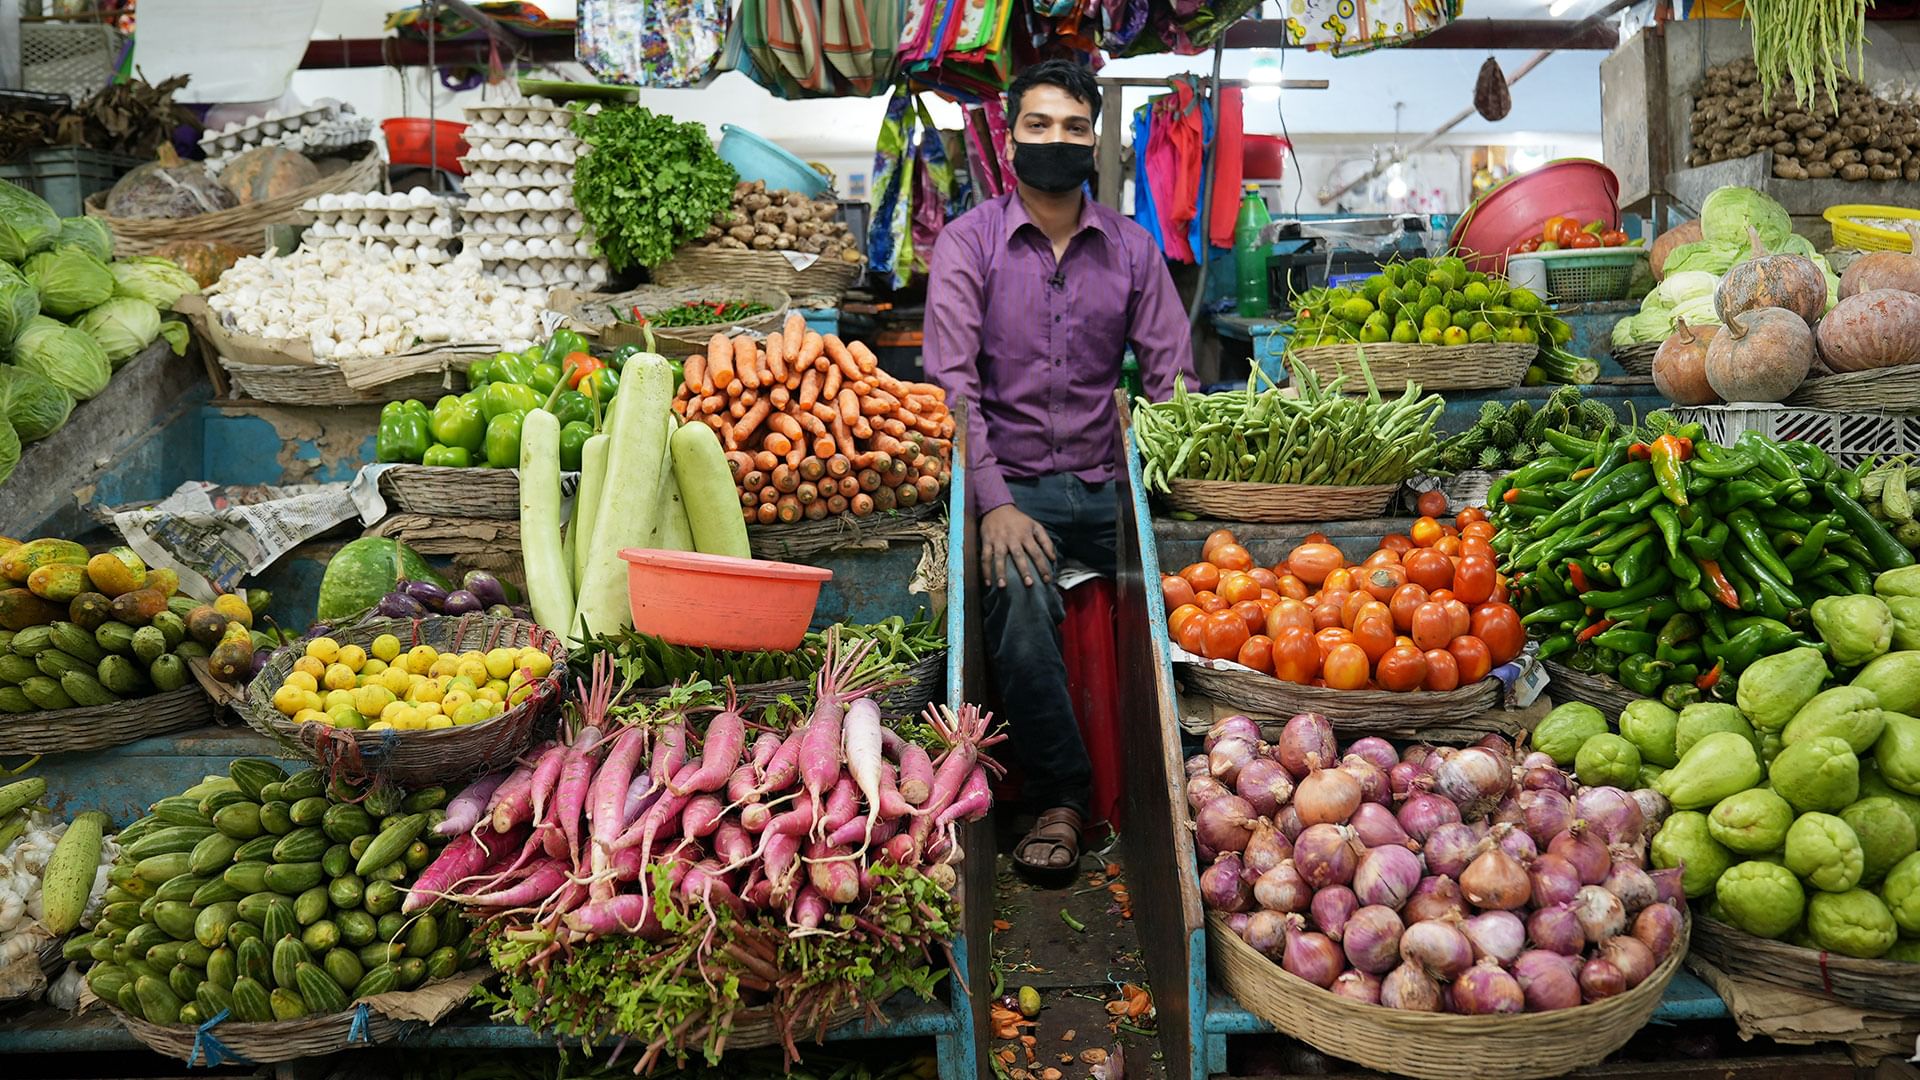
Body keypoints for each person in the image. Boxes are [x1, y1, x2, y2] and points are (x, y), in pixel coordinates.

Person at [923, 59, 1198, 884]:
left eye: (1075, 128)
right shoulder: (969, 244)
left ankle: (1173, 798)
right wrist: (996, 507)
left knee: (1183, 604)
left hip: (1109, 485)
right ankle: (1062, 797)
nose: (1057, 140)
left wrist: (1167, 489)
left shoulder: (1131, 248)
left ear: (1095, 141)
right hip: (1012, 484)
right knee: (1020, 595)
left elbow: (1172, 381)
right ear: (1010, 140)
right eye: (1039, 126)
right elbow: (952, 391)